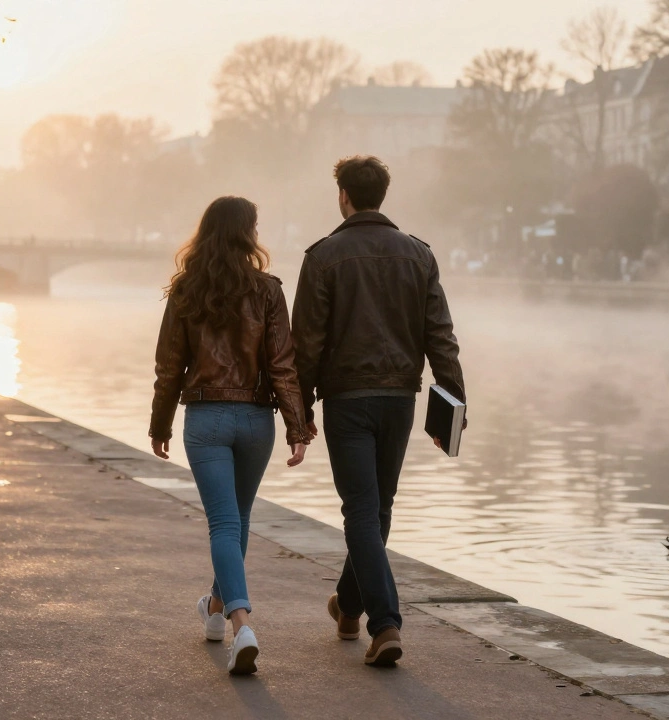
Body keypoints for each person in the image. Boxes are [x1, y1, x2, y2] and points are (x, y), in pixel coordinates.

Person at [292, 156, 466, 667]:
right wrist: (451, 406)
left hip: (347, 400)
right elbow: (441, 335)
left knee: (362, 512)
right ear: (382, 196)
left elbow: (306, 344)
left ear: (343, 195)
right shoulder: (418, 255)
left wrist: (299, 411)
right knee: (378, 508)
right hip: (400, 400)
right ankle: (348, 607)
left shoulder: (323, 257)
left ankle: (385, 622)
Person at [149, 196, 313, 676]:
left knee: (223, 524)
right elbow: (284, 364)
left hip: (205, 420)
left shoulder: (186, 291)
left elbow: (168, 367)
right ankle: (215, 612)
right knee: (237, 521)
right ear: (249, 233)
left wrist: (160, 424)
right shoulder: (267, 290)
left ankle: (242, 624)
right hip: (256, 421)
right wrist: (296, 427)